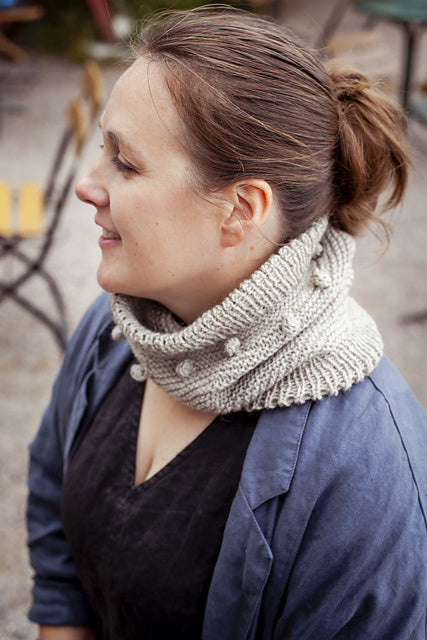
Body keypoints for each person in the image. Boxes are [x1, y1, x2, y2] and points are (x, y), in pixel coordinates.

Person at [26, 6, 427, 640]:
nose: (86, 185)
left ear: (240, 209)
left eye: (125, 163)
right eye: (102, 149)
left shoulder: (364, 467)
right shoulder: (117, 332)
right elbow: (56, 519)